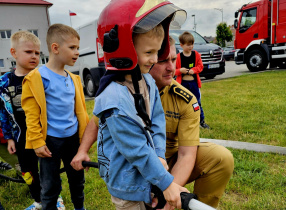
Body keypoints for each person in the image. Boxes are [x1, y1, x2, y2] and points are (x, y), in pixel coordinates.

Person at [71, 0, 189, 209]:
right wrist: (166, 183)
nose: (155, 59)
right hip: (127, 186)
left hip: (149, 174)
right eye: (148, 52)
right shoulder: (113, 99)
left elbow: (158, 121)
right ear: (122, 48)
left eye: (157, 51)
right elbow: (135, 149)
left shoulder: (148, 81)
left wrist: (160, 156)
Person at [149, 36, 234, 208]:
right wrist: (82, 150)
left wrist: (168, 197)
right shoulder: (125, 92)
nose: (171, 67)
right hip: (137, 163)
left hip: (170, 162)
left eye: (173, 59)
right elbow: (97, 121)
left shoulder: (185, 99)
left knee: (221, 158)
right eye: (163, 60)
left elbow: (186, 154)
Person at [21, 24, 89, 210]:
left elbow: (82, 111)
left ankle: (79, 207)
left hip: (73, 139)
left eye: (78, 47)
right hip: (50, 142)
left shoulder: (73, 78)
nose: (77, 52)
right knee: (50, 184)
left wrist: (84, 142)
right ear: (55, 48)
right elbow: (31, 114)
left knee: (77, 180)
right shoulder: (36, 78)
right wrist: (36, 141)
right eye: (72, 47)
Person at [0, 30, 65, 210]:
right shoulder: (4, 83)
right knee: (28, 171)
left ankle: (55, 199)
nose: (34, 56)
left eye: (37, 53)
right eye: (28, 52)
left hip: (45, 135)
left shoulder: (45, 78)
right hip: (21, 137)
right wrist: (9, 138)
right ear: (13, 53)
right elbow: (3, 113)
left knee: (49, 170)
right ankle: (38, 200)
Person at [175, 31, 210, 129]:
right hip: (183, 84)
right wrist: (180, 71)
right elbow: (173, 71)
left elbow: (200, 67)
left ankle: (201, 121)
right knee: (182, 103)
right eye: (188, 45)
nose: (191, 47)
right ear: (181, 45)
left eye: (192, 44)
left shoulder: (196, 55)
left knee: (196, 102)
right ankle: (182, 122)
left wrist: (194, 70)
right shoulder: (178, 57)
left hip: (193, 84)